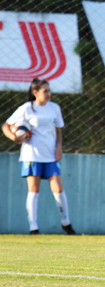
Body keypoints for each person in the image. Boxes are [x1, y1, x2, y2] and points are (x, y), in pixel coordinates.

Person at [2, 78, 77, 235]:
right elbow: (5, 126)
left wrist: (59, 148)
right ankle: (33, 227)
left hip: (50, 155)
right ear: (35, 92)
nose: (49, 94)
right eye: (45, 91)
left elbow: (58, 131)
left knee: (58, 188)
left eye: (49, 91)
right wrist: (14, 137)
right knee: (34, 190)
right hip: (32, 155)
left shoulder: (54, 108)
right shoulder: (26, 109)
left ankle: (66, 223)